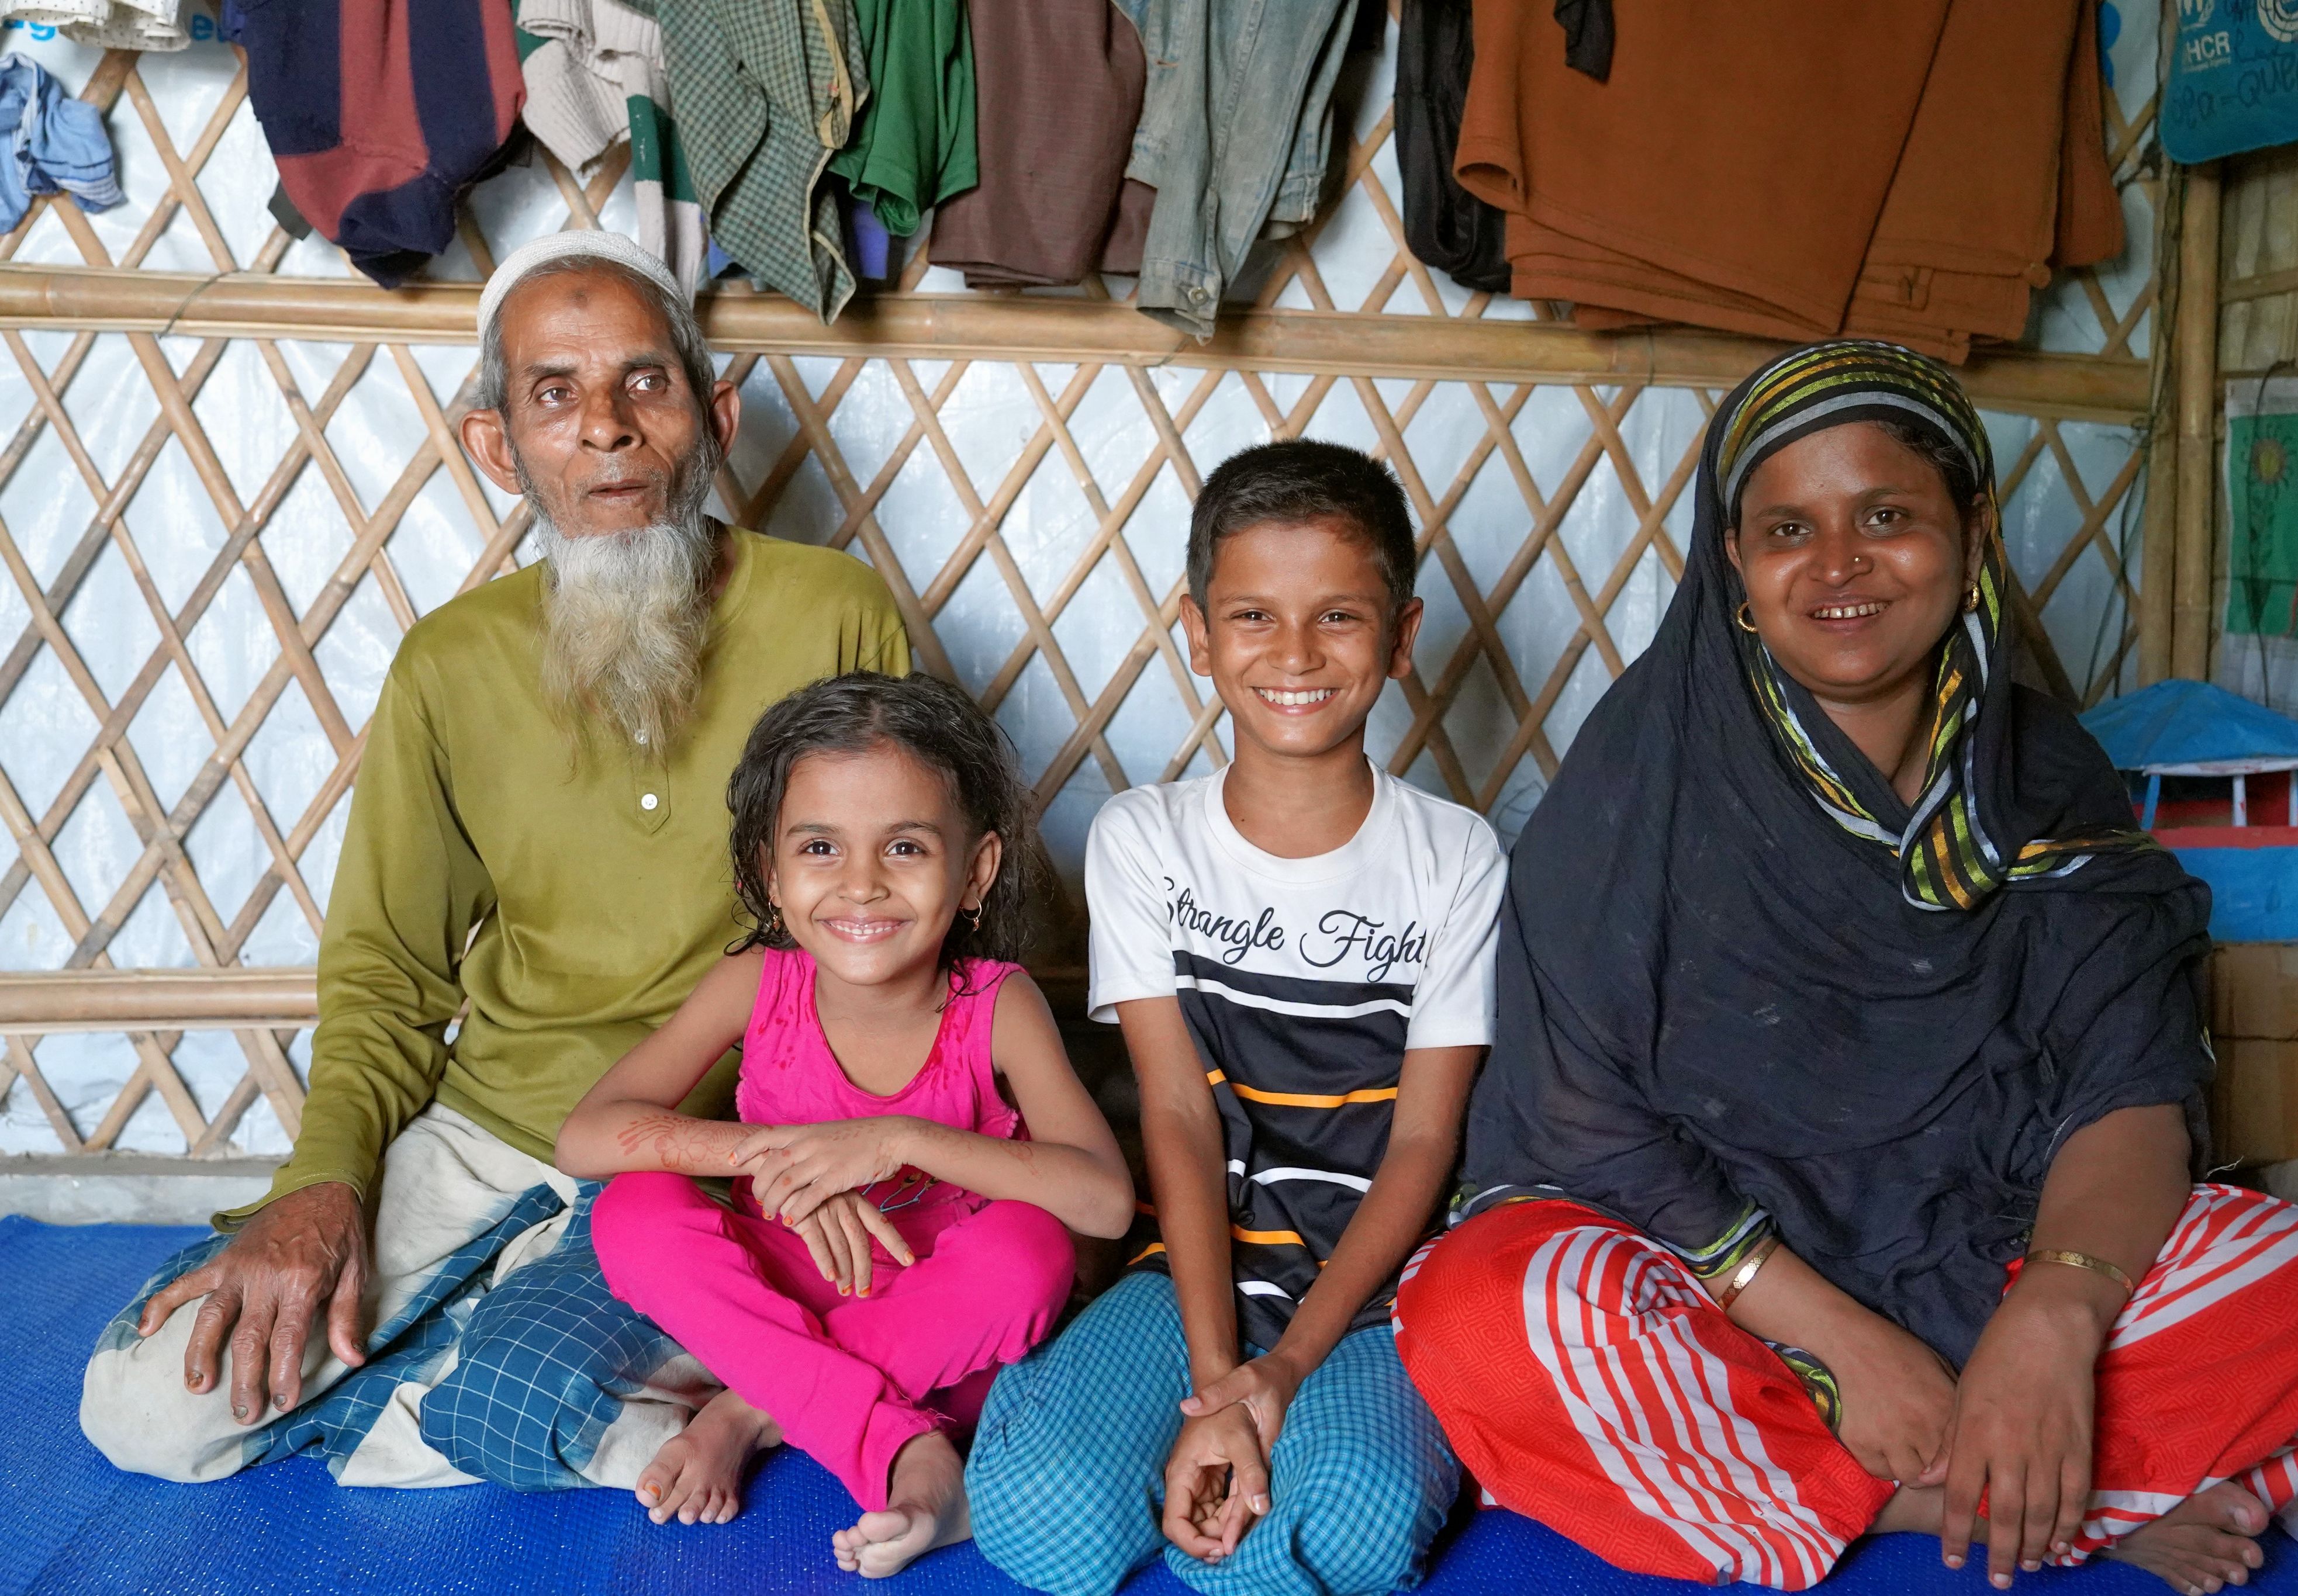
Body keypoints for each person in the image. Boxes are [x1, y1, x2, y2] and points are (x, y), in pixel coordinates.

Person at [1394, 341, 2298, 1596]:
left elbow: (2126, 1080)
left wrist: (2053, 1317)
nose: (1836, 564)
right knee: (1482, 1321)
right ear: (1734, 567)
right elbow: (1583, 1120)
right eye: (1783, 528)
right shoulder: (1643, 771)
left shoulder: (2042, 776)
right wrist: (1840, 1342)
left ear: (1971, 529)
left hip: (2000, 1237)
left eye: (1884, 515)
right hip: (1727, 1289)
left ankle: (1919, 1472)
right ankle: (1963, 1501)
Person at [79, 231, 913, 1492]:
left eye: (647, 382)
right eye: (554, 394)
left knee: (542, 1387)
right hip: (489, 1127)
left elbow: (908, 935)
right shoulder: (449, 664)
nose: (608, 430)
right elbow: (389, 972)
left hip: (720, 1154)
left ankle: (535, 1379)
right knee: (148, 1412)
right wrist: (319, 1190)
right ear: (497, 445)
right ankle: (544, 1393)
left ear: (716, 414)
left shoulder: (831, 613)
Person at [966, 440, 1503, 1596]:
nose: (1295, 654)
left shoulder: (1454, 857)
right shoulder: (1143, 838)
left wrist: (1290, 1368)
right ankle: (1156, 1443)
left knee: (1337, 1536)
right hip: (1190, 1270)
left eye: (1339, 617)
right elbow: (1174, 1108)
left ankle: (1249, 1460)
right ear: (1198, 635)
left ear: (1401, 639)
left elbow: (1422, 1140)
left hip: (1376, 1294)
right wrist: (1219, 1378)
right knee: (1037, 1518)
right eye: (1252, 615)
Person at [558, 671, 1134, 1574]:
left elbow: (1102, 1203)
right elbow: (587, 1135)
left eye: (904, 848)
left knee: (1034, 1251)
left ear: (974, 871)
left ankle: (750, 1411)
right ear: (768, 874)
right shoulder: (757, 985)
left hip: (937, 1321)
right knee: (632, 1211)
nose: (861, 887)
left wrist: (896, 1140)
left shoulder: (997, 1006)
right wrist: (777, 1159)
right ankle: (908, 1452)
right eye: (821, 847)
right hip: (783, 1291)